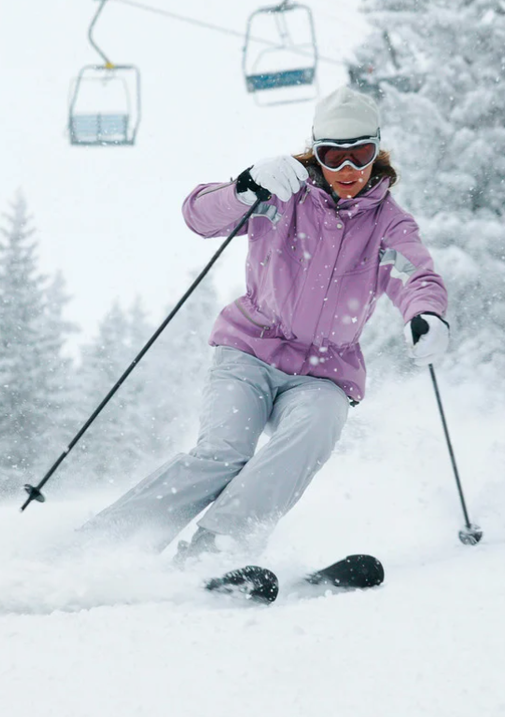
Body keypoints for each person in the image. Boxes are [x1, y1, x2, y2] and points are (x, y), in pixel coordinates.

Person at [80, 87, 450, 563]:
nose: (348, 171)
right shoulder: (282, 194)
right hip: (249, 351)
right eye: (334, 157)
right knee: (223, 452)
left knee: (313, 433)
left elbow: (414, 273)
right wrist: (244, 187)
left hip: (324, 372)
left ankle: (215, 550)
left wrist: (426, 313)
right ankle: (103, 546)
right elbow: (199, 218)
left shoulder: (388, 225)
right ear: (315, 153)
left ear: (377, 153)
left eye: (360, 155)